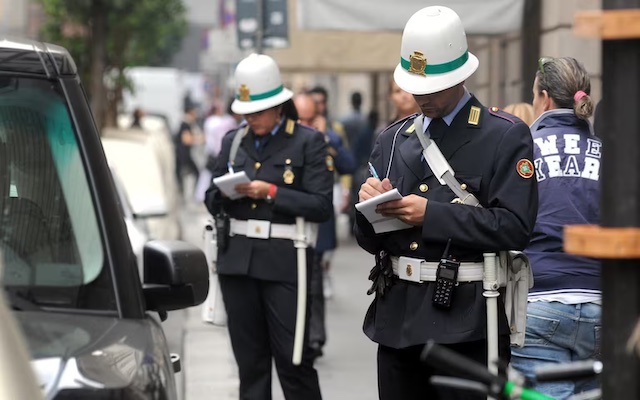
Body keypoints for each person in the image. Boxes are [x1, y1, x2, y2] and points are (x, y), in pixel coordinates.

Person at [354, 6, 538, 399]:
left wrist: (431, 215)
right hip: (398, 317)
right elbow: (371, 241)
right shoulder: (392, 138)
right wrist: (368, 208)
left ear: (461, 76)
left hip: (465, 322)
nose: (422, 97)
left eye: (433, 87)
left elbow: (515, 227)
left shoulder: (503, 135)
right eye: (416, 87)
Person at [204, 53, 333, 400]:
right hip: (238, 264)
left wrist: (272, 192)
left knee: (294, 363)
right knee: (250, 367)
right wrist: (226, 193)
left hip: (284, 264)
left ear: (279, 106)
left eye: (258, 111)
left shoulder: (307, 141)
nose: (252, 119)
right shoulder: (233, 141)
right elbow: (210, 197)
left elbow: (321, 205)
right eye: (246, 112)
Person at [510, 57, 601, 399]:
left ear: (544, 98)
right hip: (602, 303)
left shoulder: (523, 152)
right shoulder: (609, 152)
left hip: (540, 300)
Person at [293, 93, 357, 361]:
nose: (306, 124)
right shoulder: (286, 141)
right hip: (291, 220)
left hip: (317, 222)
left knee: (314, 283)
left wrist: (326, 138)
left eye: (311, 118)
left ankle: (315, 337)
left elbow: (348, 165)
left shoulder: (327, 137)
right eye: (301, 119)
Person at [174, 105, 201, 199]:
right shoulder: (185, 123)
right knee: (194, 174)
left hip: (184, 155)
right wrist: (199, 139)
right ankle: (188, 196)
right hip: (184, 155)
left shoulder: (187, 123)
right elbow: (186, 140)